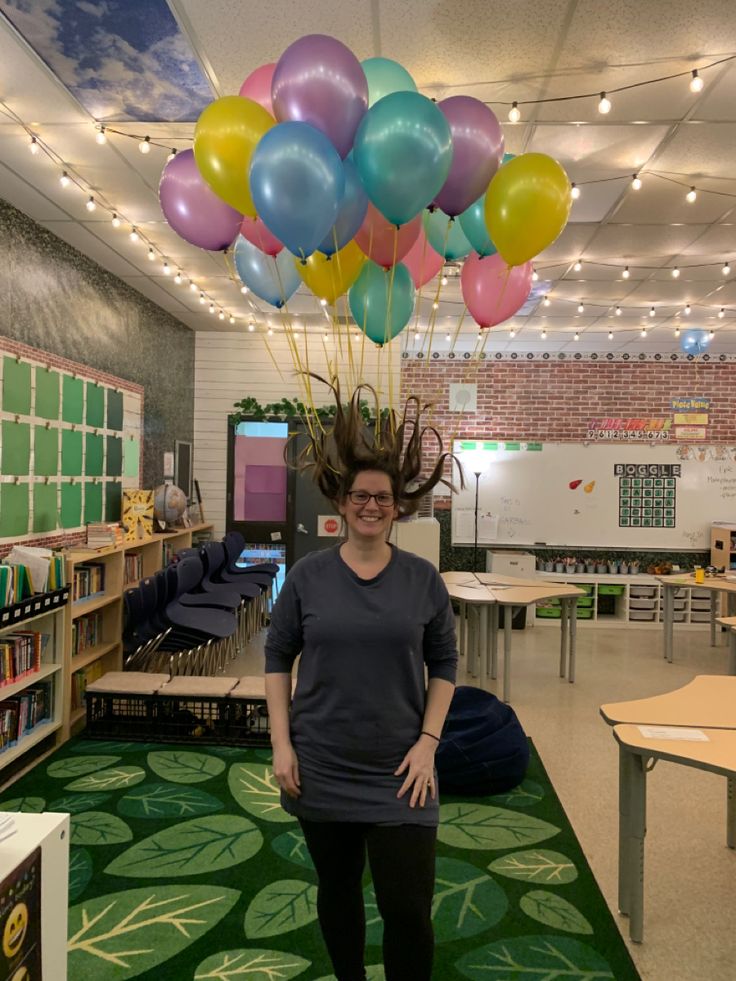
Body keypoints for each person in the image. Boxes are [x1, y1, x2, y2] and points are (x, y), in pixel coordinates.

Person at [265, 377, 460, 981]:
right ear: (342, 503)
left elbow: (445, 665)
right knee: (339, 893)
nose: (371, 506)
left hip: (404, 769)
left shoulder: (423, 578)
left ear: (397, 507)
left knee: (408, 910)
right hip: (323, 763)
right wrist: (281, 744)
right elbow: (276, 659)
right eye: (360, 497)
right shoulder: (306, 577)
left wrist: (429, 745)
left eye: (382, 498)